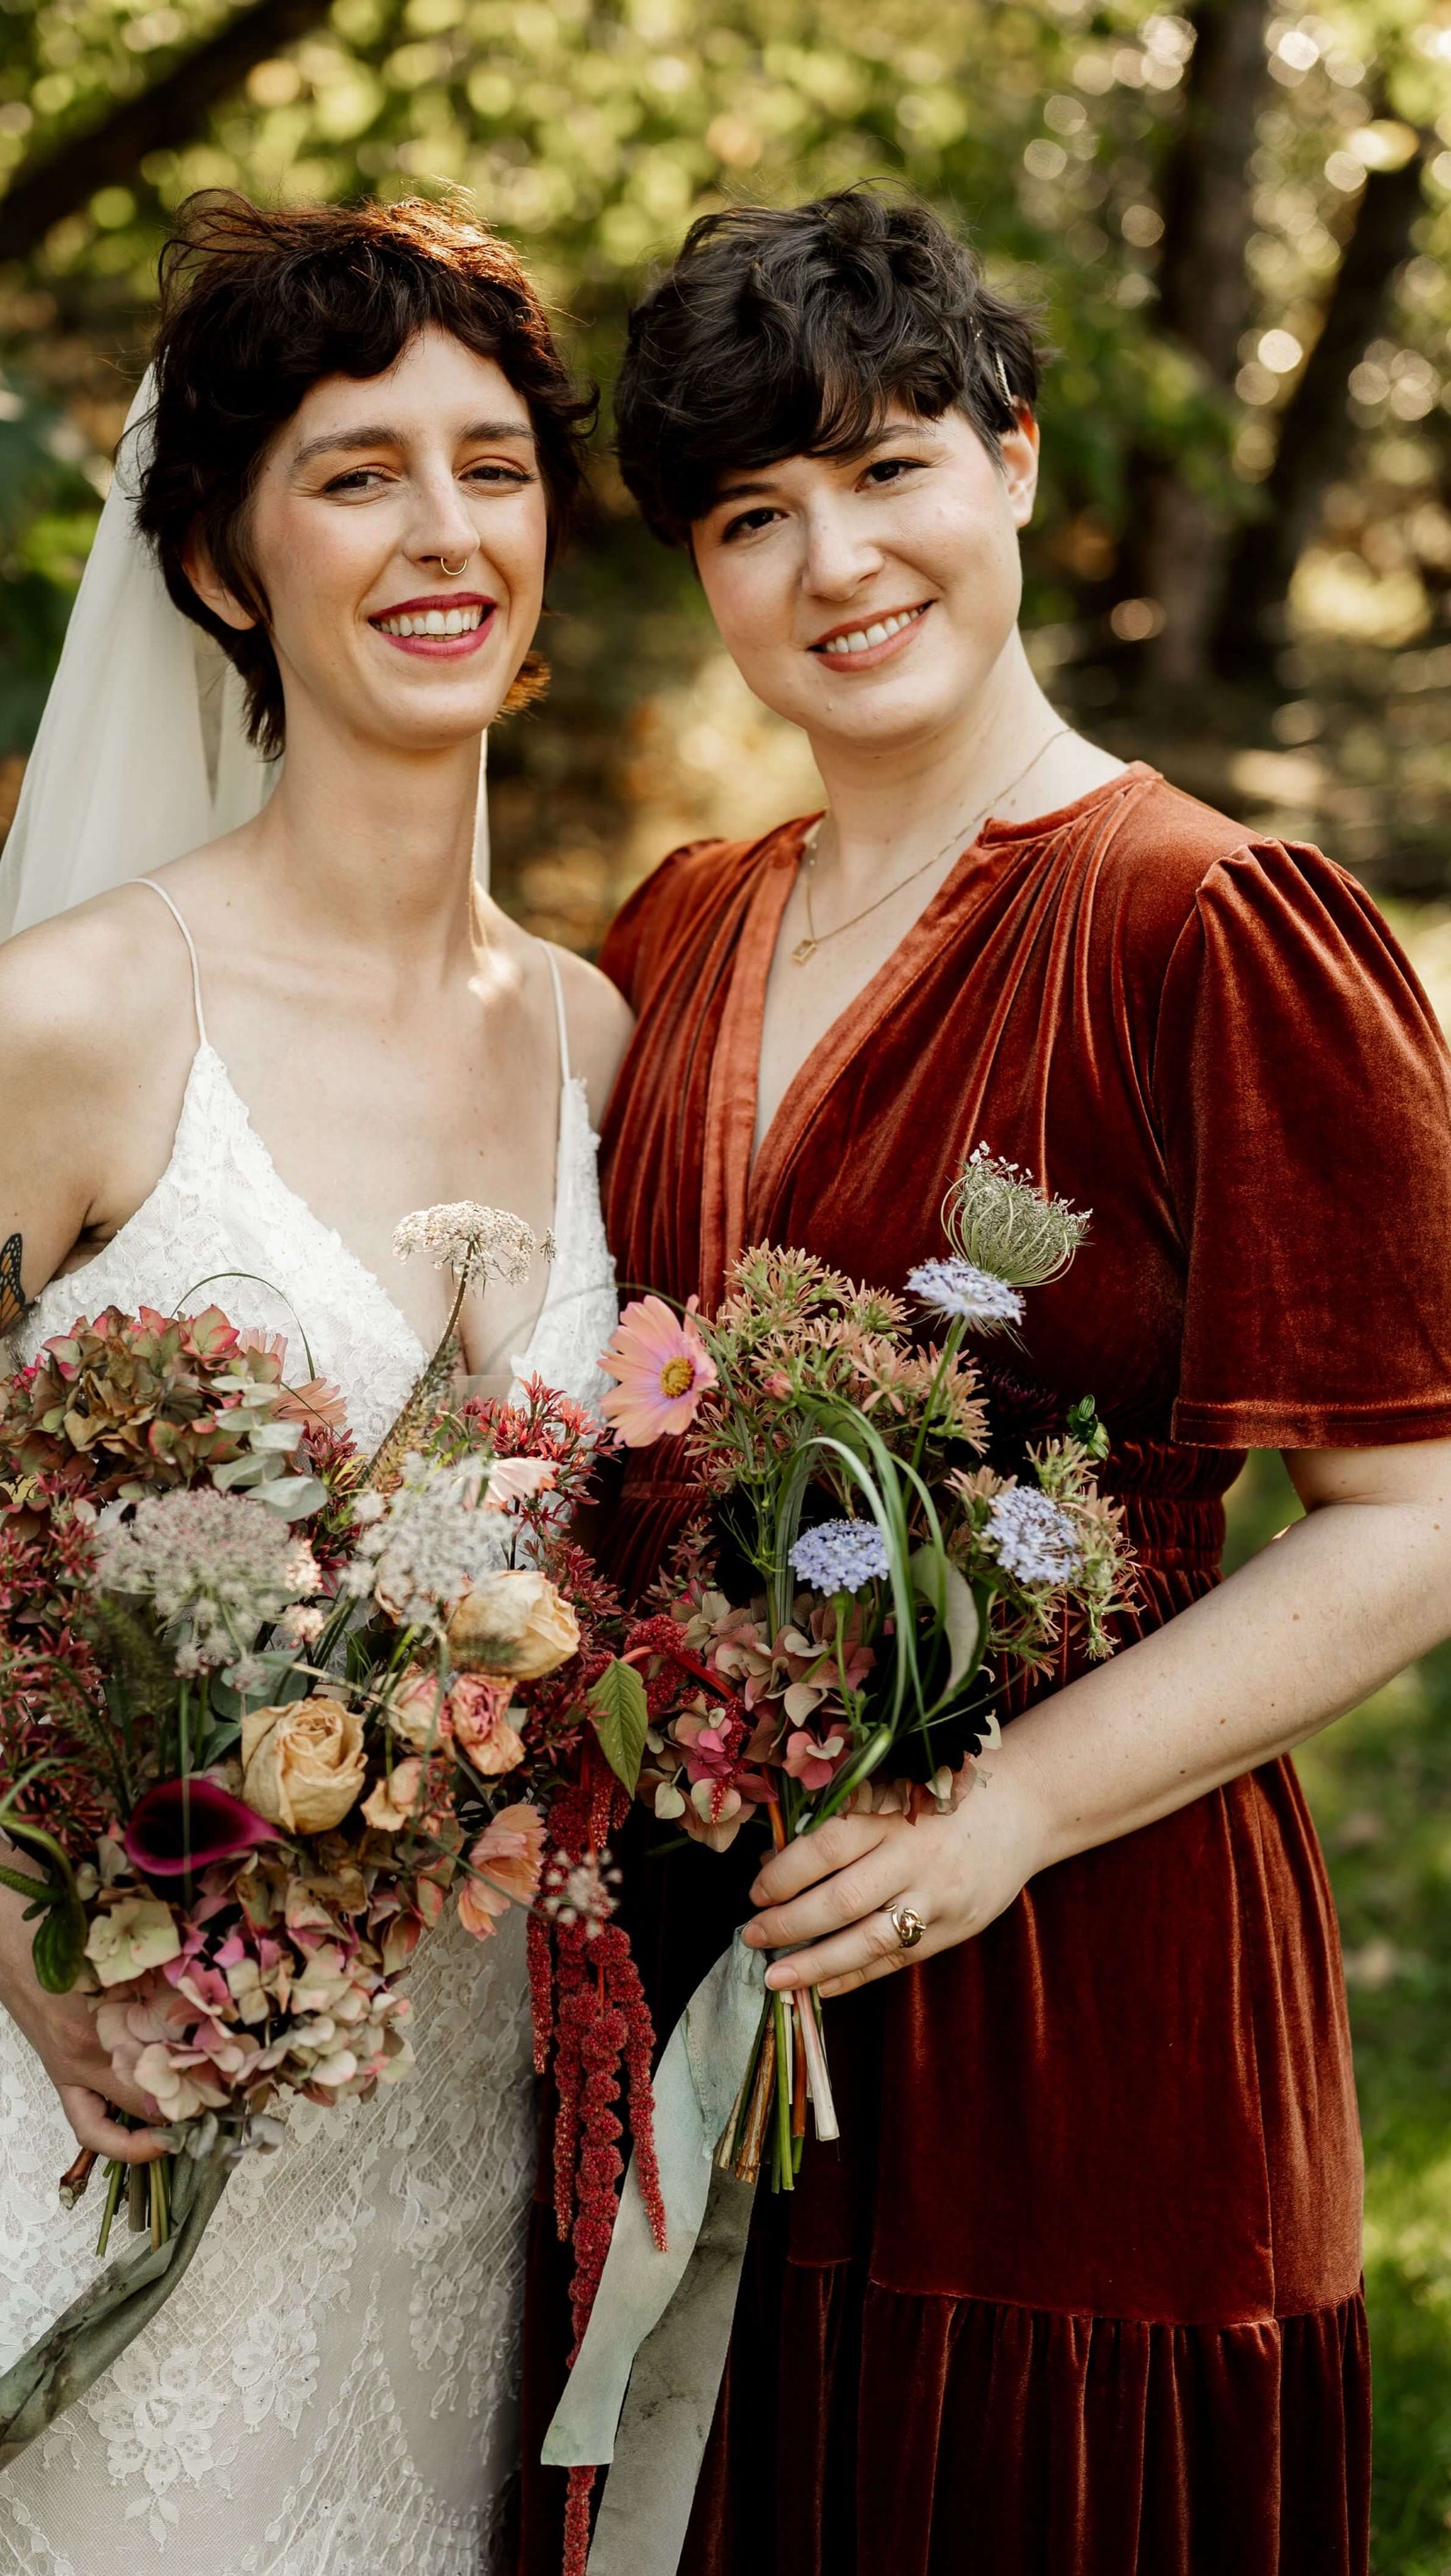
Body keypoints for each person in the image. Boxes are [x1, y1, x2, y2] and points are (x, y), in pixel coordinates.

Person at [518, 188, 1451, 2576]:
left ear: (1012, 461)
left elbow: (1416, 1509)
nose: (829, 560)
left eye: (884, 467)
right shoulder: (683, 923)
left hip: (1083, 1981)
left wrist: (1003, 1816)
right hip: (702, 1939)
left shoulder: (1202, 922)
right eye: (750, 514)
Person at [0, 192, 629, 2572]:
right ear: (228, 567)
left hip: (466, 2168)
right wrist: (27, 1965)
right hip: (115, 2131)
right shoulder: (88, 1025)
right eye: (354, 473)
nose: (443, 531)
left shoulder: (589, 1035)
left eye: (489, 464)